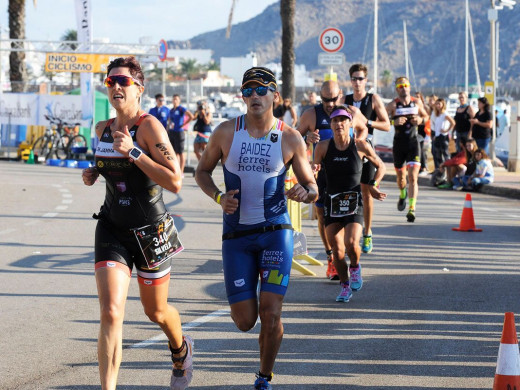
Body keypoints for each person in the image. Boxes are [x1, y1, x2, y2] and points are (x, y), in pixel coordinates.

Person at [194, 66, 318, 390]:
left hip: (276, 232)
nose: (254, 96)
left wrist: (306, 193)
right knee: (246, 321)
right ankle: (263, 335)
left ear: (274, 95)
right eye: (247, 90)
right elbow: (201, 172)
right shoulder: (225, 132)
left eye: (260, 89)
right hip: (236, 238)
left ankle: (264, 376)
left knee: (271, 311)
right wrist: (219, 197)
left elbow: (312, 185)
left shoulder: (289, 137)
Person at [82, 57, 193, 390]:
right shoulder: (101, 128)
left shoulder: (149, 128)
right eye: (111, 81)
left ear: (139, 89)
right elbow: (110, 169)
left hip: (151, 231)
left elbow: (175, 182)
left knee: (156, 312)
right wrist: (94, 172)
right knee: (112, 312)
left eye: (123, 81)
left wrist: (134, 153)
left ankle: (181, 348)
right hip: (112, 227)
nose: (116, 86)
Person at [312, 105, 386, 302]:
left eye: (343, 120)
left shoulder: (360, 145)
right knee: (337, 249)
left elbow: (381, 166)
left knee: (352, 244)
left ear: (350, 123)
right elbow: (314, 170)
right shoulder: (323, 147)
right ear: (331, 124)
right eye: (335, 120)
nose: (339, 124)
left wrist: (373, 184)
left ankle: (355, 267)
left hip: (354, 202)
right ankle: (344, 286)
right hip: (332, 201)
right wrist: (313, 171)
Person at [298, 80, 367, 279]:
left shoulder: (350, 112)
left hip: (346, 175)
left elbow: (363, 129)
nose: (329, 104)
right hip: (322, 176)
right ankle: (331, 258)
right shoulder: (311, 114)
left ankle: (350, 255)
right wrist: (306, 139)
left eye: (333, 99)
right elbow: (293, 140)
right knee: (322, 217)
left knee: (350, 222)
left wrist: (359, 144)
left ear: (340, 96)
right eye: (325, 100)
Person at [343, 63, 390, 254]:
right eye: (354, 79)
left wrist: (365, 120)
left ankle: (368, 233)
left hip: (366, 150)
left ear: (366, 80)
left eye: (360, 79)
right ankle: (349, 232)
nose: (357, 82)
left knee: (366, 192)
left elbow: (387, 125)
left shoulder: (373, 99)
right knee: (346, 191)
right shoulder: (344, 100)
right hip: (347, 150)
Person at [386, 76, 429, 223]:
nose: (403, 87)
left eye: (405, 85)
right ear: (397, 89)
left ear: (409, 87)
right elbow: (382, 120)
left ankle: (412, 209)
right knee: (401, 177)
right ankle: (403, 193)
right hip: (399, 144)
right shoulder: (393, 105)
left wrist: (420, 120)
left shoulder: (416, 102)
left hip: (413, 143)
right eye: (400, 86)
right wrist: (393, 121)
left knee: (413, 177)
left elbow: (426, 116)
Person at [167, 94, 195, 176]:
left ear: (179, 100)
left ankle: (181, 172)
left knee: (181, 152)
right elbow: (169, 120)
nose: (174, 100)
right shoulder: (171, 110)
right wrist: (168, 129)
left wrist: (183, 125)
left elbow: (191, 116)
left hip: (179, 132)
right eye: (173, 99)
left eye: (176, 99)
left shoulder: (181, 109)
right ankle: (176, 170)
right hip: (172, 132)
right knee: (174, 152)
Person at [430, 98, 455, 173]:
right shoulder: (437, 114)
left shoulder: (445, 114)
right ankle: (440, 171)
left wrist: (447, 130)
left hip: (443, 136)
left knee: (446, 154)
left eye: (439, 104)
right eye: (436, 104)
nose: (437, 105)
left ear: (442, 105)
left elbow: (453, 123)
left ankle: (449, 172)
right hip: (437, 136)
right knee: (437, 154)